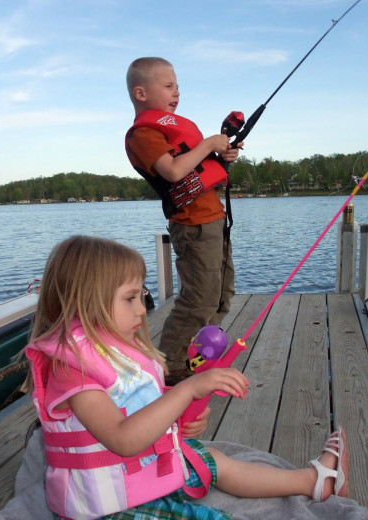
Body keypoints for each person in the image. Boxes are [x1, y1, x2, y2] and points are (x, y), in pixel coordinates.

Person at [23, 236, 349, 520]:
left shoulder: (110, 350)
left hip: (145, 472)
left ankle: (315, 481)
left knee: (211, 459)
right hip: (109, 508)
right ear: (89, 299)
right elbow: (124, 440)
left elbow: (137, 406)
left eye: (142, 295)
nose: (142, 308)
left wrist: (177, 422)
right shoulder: (74, 367)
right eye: (130, 297)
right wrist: (188, 389)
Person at [124, 56, 240, 385]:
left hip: (214, 220)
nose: (177, 92)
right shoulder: (144, 134)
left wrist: (221, 155)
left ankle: (198, 354)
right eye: (169, 86)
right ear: (141, 93)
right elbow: (174, 171)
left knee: (221, 294)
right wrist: (208, 145)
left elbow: (194, 165)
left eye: (178, 86)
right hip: (192, 226)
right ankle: (171, 367)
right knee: (197, 298)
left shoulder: (174, 132)